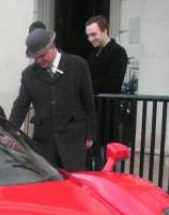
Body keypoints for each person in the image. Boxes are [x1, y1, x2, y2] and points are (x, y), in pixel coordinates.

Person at [9, 29, 97, 172]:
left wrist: (91, 134)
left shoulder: (78, 65)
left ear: (52, 46)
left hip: (74, 141)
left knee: (75, 188)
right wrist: (9, 132)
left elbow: (88, 103)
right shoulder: (29, 75)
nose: (39, 60)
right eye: (35, 57)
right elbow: (20, 106)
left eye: (42, 55)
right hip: (45, 145)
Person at [85, 15, 128, 95]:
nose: (90, 39)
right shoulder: (93, 53)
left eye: (93, 34)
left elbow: (113, 84)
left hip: (107, 104)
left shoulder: (118, 52)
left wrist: (86, 87)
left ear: (104, 31)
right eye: (88, 35)